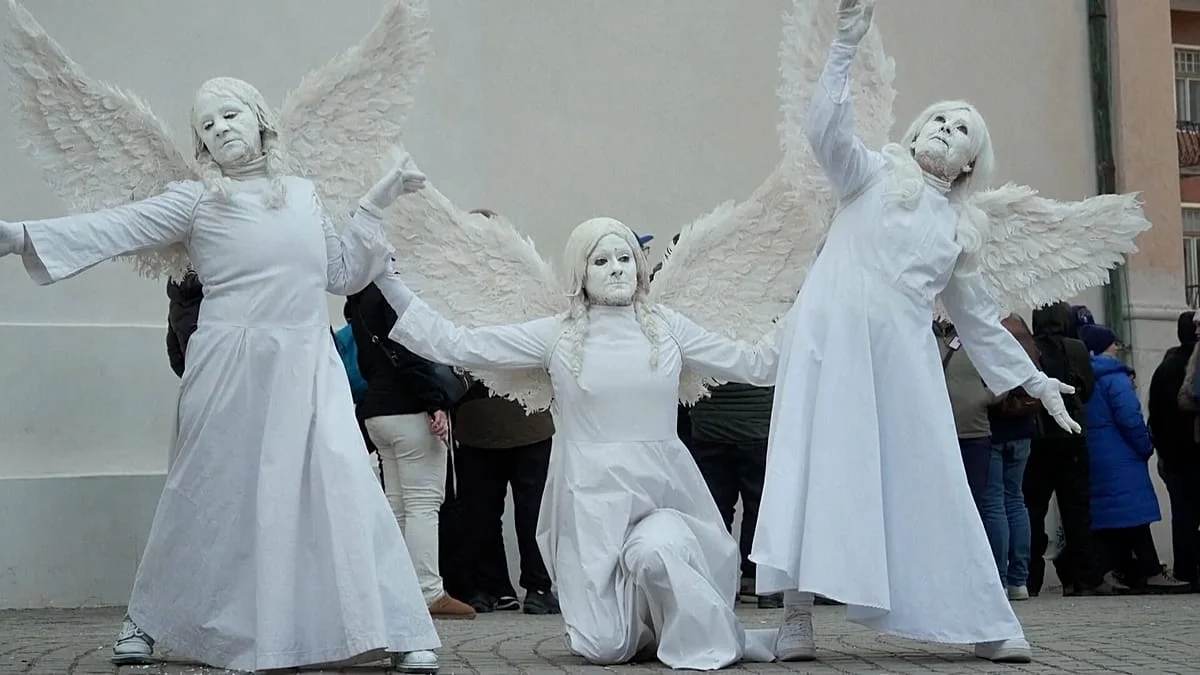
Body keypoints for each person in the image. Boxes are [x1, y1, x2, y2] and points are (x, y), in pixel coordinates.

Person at [0, 75, 440, 673]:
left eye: (230, 115)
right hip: (229, 369)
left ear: (260, 119)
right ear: (201, 146)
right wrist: (20, 235)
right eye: (207, 126)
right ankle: (146, 621)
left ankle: (398, 626)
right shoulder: (198, 200)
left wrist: (376, 201)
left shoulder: (306, 195)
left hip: (308, 368)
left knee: (344, 483)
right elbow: (117, 225)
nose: (221, 129)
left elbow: (339, 273)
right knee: (207, 494)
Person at [749, 0, 1089, 665]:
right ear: (914, 132)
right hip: (828, 342)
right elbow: (825, 132)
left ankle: (982, 617)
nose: (945, 126)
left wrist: (1032, 377)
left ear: (969, 163)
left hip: (901, 361)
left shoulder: (959, 227)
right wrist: (844, 47)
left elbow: (978, 318)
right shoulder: (871, 173)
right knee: (806, 464)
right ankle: (795, 619)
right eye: (938, 116)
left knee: (930, 474)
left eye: (961, 127)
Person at [374, 217, 783, 669]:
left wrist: (822, 292)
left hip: (662, 495)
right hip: (590, 503)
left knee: (657, 552)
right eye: (602, 260)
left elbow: (757, 364)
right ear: (580, 274)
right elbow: (458, 343)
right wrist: (388, 279)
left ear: (641, 267)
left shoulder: (668, 327)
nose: (616, 269)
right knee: (604, 647)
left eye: (625, 258)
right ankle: (637, 622)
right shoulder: (558, 334)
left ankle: (676, 618)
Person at [1079, 325, 1189, 593]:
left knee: (1109, 518)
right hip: (1122, 457)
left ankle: (1114, 571)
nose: (1117, 347)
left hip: (1095, 454)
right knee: (1135, 517)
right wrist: (1145, 445)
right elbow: (1130, 417)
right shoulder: (1115, 377)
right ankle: (1150, 570)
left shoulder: (1085, 376)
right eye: (1113, 343)